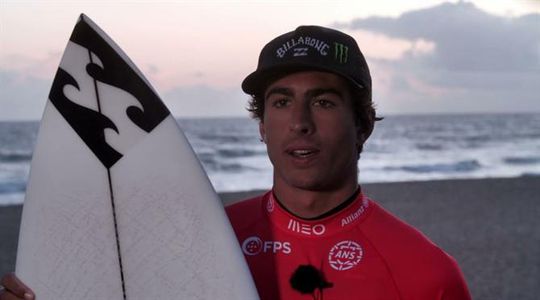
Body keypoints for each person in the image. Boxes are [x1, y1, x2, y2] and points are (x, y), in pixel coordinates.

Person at [0, 25, 471, 300]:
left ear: (363, 122)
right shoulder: (201, 242)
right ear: (262, 124)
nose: (299, 123)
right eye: (281, 103)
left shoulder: (426, 276)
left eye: (324, 102)